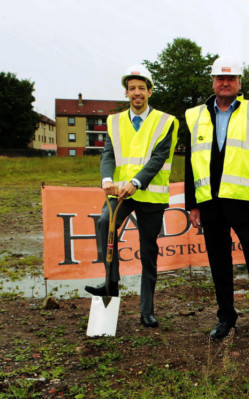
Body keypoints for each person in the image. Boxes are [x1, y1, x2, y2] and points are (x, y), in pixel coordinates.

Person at [183, 56, 249, 346]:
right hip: (210, 204)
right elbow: (191, 162)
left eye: (231, 79)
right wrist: (192, 203)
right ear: (213, 82)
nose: (225, 83)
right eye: (220, 78)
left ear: (240, 83)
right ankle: (226, 318)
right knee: (219, 264)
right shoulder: (194, 115)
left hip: (247, 205)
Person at [84, 65, 178, 328]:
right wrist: (106, 179)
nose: (137, 93)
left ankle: (146, 310)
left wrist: (137, 183)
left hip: (150, 195)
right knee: (105, 222)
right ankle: (110, 285)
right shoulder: (114, 121)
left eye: (141, 88)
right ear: (126, 92)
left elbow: (159, 158)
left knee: (149, 252)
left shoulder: (166, 121)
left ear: (149, 91)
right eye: (132, 88)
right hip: (120, 193)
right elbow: (108, 154)